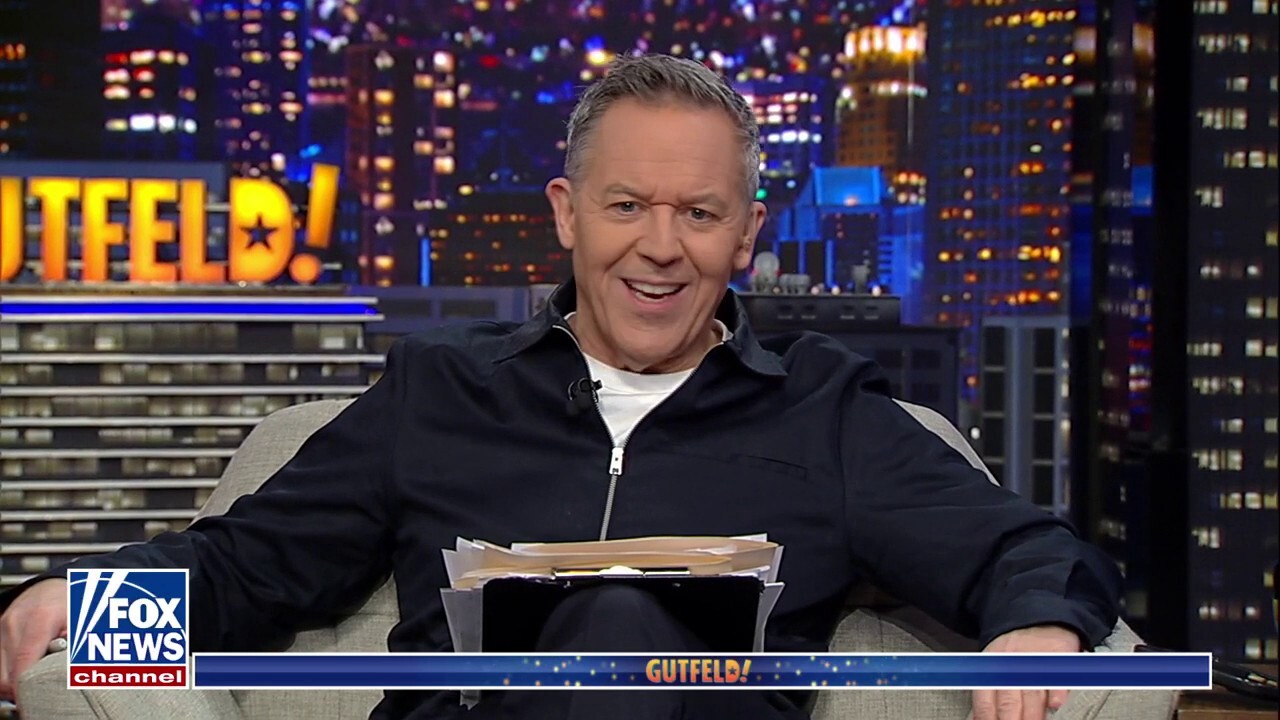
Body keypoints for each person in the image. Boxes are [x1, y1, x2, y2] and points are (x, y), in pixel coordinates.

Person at [0, 54, 1121, 720]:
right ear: (566, 215)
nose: (660, 247)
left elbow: (1023, 547)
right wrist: (93, 598)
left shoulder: (825, 413)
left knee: (626, 615)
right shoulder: (441, 391)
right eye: (626, 206)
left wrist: (1036, 622)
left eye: (698, 214)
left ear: (745, 236)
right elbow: (249, 562)